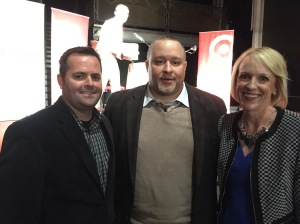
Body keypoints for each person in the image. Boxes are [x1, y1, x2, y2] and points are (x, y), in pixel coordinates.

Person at [104, 35, 227, 223]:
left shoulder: (212, 108)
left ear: (185, 67)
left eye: (175, 62)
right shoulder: (119, 104)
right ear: (147, 66)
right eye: (159, 62)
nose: (167, 69)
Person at [0, 46, 115, 223]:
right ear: (61, 81)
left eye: (95, 76)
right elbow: (15, 210)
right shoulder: (29, 132)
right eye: (79, 76)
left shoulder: (104, 124)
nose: (90, 83)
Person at [217, 47, 300, 224]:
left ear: (276, 86)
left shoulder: (295, 127)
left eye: (263, 78)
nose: (251, 85)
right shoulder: (225, 124)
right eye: (245, 76)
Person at [94, 4, 130, 93]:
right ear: (116, 13)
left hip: (108, 55)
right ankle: (94, 103)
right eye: (123, 13)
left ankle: (97, 103)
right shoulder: (113, 23)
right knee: (112, 81)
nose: (125, 16)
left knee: (111, 81)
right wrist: (126, 52)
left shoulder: (114, 24)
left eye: (126, 14)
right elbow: (113, 43)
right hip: (106, 54)